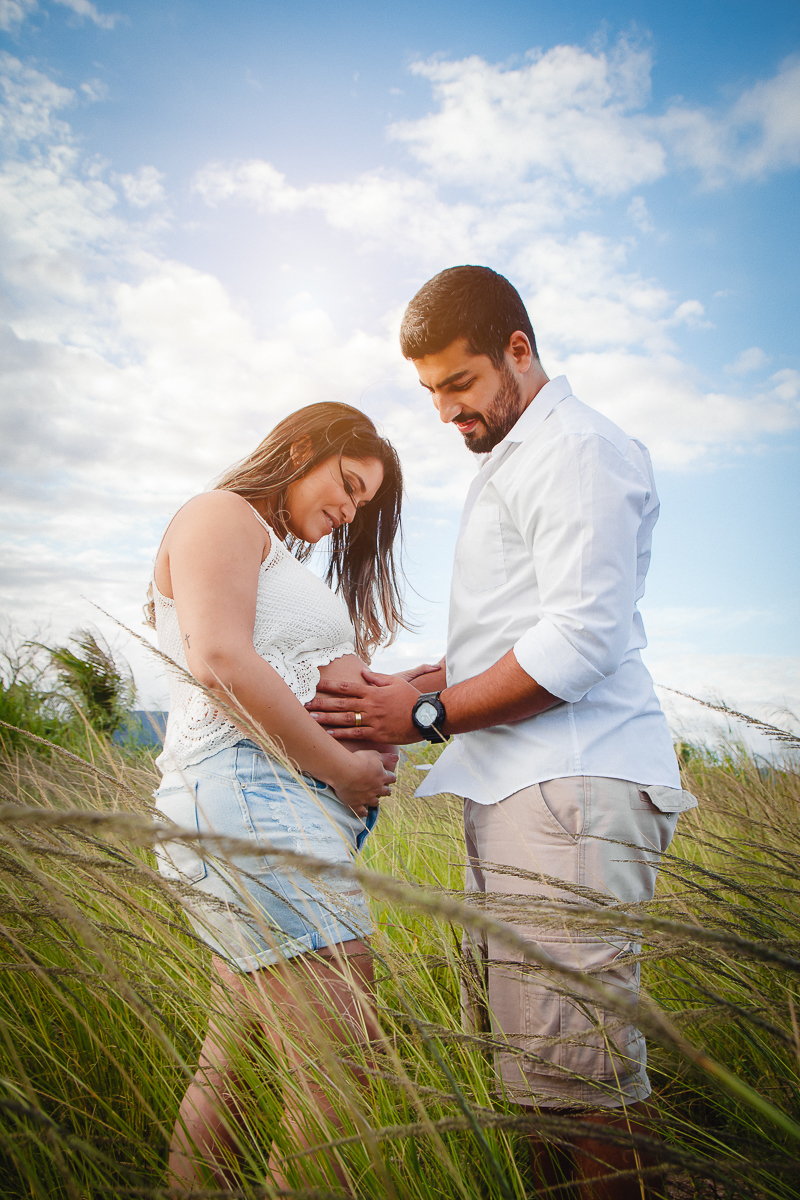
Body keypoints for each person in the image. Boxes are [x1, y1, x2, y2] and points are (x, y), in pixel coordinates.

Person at [306, 266, 697, 1198]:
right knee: (542, 1067)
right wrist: (431, 677)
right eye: (431, 391)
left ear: (520, 350)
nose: (446, 411)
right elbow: (527, 630)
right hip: (530, 785)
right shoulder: (524, 458)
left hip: (572, 783)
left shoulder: (578, 450)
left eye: (460, 382)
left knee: (584, 1074)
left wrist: (429, 715)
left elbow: (581, 641)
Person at [148, 401, 405, 1189]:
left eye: (364, 502)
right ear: (304, 447)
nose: (350, 509)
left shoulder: (278, 559)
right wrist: (342, 767)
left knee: (231, 1067)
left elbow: (293, 666)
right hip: (252, 795)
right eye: (350, 483)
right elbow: (219, 658)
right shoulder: (219, 513)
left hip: (278, 805)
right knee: (343, 1073)